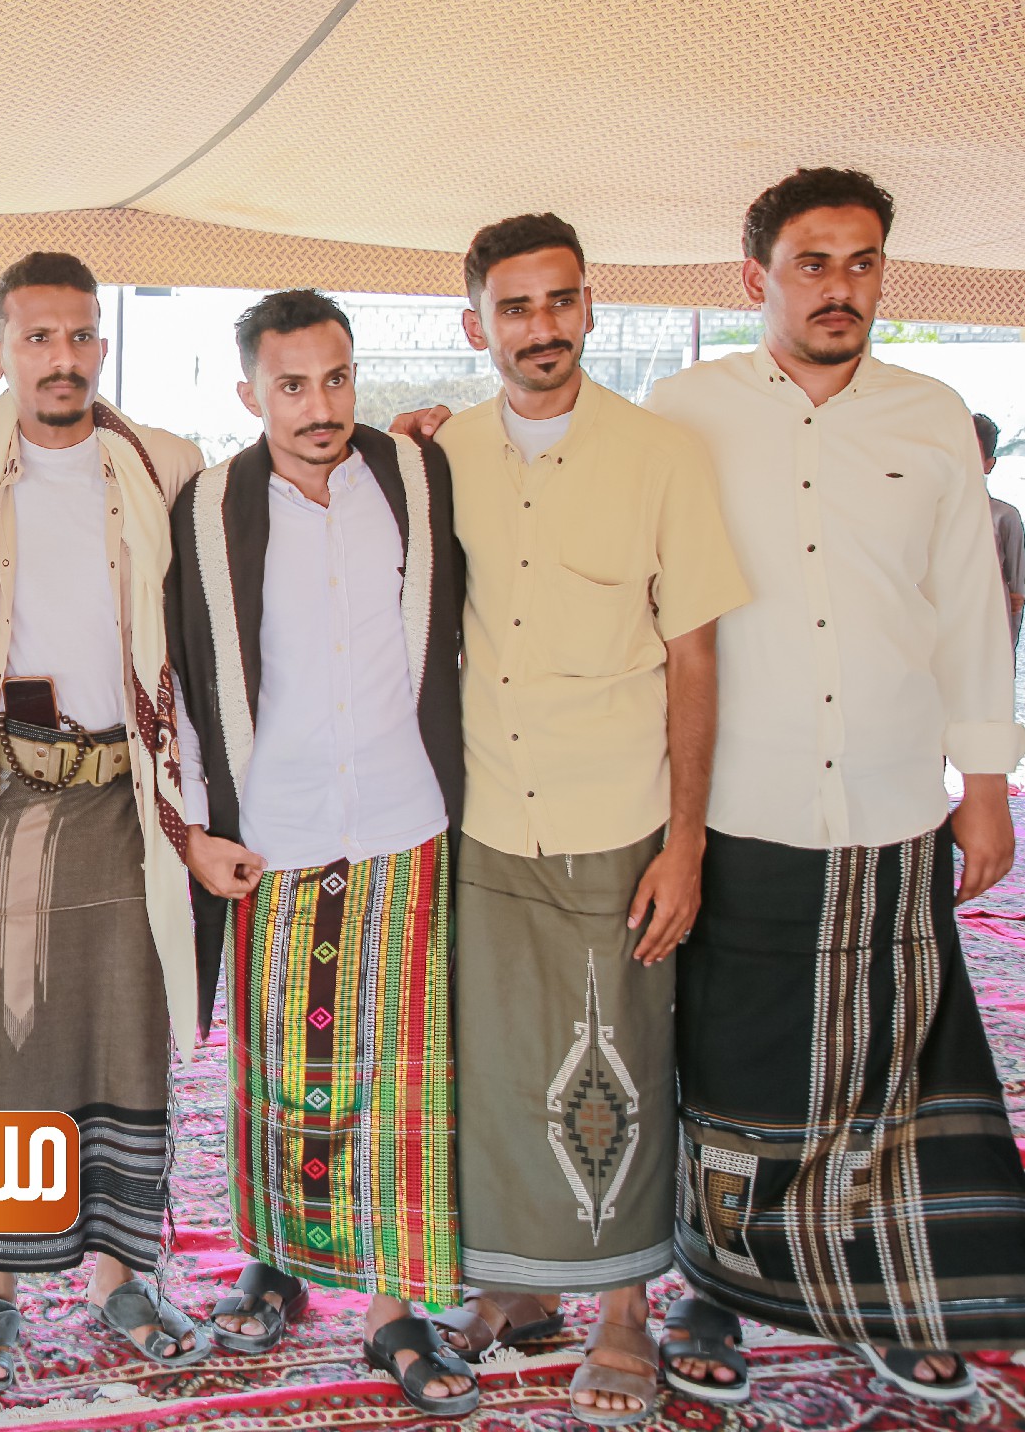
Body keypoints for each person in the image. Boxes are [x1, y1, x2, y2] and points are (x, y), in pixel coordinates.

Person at [645, 167, 1025, 1405]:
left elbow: (968, 610)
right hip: (737, 799)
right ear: (756, 277)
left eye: (862, 262)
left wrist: (984, 779)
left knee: (889, 1060)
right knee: (728, 1055)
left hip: (892, 797)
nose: (841, 287)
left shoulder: (930, 416)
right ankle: (715, 1288)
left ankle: (883, 1293)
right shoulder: (683, 411)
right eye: (814, 263)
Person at [396, 214, 750, 1426]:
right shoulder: (444, 455)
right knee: (498, 1065)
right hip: (487, 812)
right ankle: (513, 1289)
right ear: (476, 326)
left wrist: (686, 844)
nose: (541, 327)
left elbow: (695, 657)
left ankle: (623, 1312)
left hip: (618, 819)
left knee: (622, 1063)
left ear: (590, 307)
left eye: (560, 301)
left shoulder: (661, 456)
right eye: (516, 307)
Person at [167, 291, 477, 1417]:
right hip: (276, 830)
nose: (319, 406)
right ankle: (276, 1261)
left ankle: (394, 1308)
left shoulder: (418, 475)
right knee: (278, 1067)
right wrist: (195, 831)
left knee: (402, 1079)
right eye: (291, 385)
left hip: (404, 817)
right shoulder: (210, 507)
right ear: (249, 393)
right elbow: (183, 678)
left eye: (336, 378)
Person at [0, 252, 208, 1390]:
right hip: (4, 799)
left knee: (127, 1030)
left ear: (102, 347)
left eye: (81, 336)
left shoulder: (166, 465)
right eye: (38, 338)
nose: (64, 358)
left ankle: (122, 1274)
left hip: (129, 795)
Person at [976, 413, 1025, 646]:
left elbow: (1016, 598)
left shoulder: (1004, 518)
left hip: (985, 638)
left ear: (989, 464)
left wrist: (1005, 657)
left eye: (972, 453)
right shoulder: (929, 515)